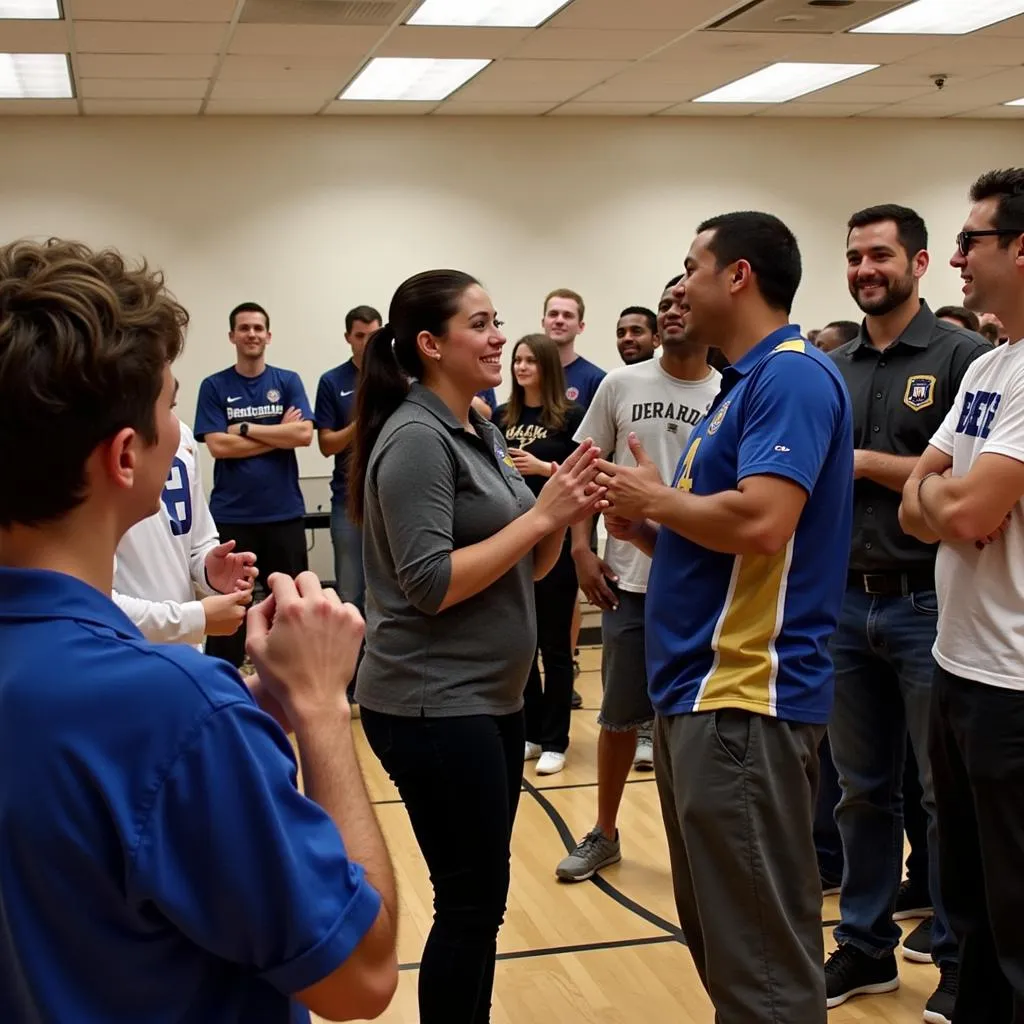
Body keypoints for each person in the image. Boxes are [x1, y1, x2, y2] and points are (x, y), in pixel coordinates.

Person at [0, 238, 398, 1023]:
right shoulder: (173, 709)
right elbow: (362, 977)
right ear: (125, 456)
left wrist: (237, 710)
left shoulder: (170, 709)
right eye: (169, 405)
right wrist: (319, 708)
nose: (178, 426)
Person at [594, 211, 854, 1024]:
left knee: (762, 975)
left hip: (743, 696)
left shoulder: (793, 376)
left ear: (737, 276)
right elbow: (733, 530)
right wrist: (655, 522)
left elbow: (765, 522)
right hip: (699, 695)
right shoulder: (743, 385)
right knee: (729, 952)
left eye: (692, 266)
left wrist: (660, 500)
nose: (681, 284)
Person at [348, 270, 605, 1024]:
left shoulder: (477, 429)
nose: (501, 337)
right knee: (470, 904)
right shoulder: (417, 439)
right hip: (432, 705)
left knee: (479, 899)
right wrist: (538, 517)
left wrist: (557, 518)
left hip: (489, 698)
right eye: (482, 324)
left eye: (500, 321)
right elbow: (428, 583)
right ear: (430, 344)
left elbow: (531, 564)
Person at [824, 205, 987, 1022]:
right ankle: (864, 944)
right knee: (860, 791)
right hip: (847, 602)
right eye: (854, 257)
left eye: (879, 255)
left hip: (932, 604)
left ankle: (959, 959)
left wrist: (860, 462)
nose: (864, 270)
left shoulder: (969, 359)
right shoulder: (836, 365)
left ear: (920, 263)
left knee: (942, 794)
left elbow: (964, 488)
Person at [900, 167, 1024, 1024]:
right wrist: (949, 503)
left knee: (1018, 903)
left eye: (970, 242)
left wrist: (948, 501)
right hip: (959, 660)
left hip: (1015, 683)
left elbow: (966, 506)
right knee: (971, 893)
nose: (956, 260)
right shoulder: (993, 366)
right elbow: (919, 499)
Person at [556, 274, 721, 883]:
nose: (675, 310)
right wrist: (580, 549)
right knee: (618, 717)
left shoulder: (729, 391)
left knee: (695, 723)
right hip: (627, 579)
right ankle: (604, 830)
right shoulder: (619, 384)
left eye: (684, 302)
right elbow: (581, 469)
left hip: (702, 585)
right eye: (666, 303)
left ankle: (696, 839)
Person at [194, 302, 314, 668]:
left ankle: (297, 679)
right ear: (232, 336)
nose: (251, 334)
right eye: (244, 328)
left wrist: (245, 429)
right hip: (233, 516)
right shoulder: (215, 386)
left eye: (258, 328)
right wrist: (280, 434)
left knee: (292, 604)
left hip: (284, 513)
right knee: (232, 607)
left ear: (269, 335)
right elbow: (217, 445)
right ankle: (225, 683)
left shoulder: (287, 380)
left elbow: (305, 434)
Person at [495, 334, 584, 776]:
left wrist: (545, 468)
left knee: (554, 646)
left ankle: (556, 738)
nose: (521, 366)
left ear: (548, 366)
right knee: (521, 642)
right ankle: (530, 730)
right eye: (517, 359)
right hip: (512, 537)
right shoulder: (500, 416)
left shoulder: (569, 417)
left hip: (556, 539)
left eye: (530, 360)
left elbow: (583, 473)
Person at [113, 410, 257, 647]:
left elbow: (198, 540)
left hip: (184, 653)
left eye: (172, 403)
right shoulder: (88, 445)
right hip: (122, 656)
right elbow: (92, 604)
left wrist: (209, 571)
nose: (173, 419)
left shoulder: (181, 434)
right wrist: (194, 619)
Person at [542, 287, 606, 705]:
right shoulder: (527, 373)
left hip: (580, 506)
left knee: (567, 591)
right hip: (532, 507)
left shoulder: (595, 379)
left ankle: (569, 660)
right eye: (553, 314)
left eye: (568, 315)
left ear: (580, 325)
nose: (559, 320)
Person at [314, 304, 382, 610]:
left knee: (393, 591)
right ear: (348, 338)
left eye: (374, 335)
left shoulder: (399, 376)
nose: (367, 342)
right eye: (360, 335)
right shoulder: (332, 381)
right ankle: (351, 660)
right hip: (348, 500)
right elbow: (327, 444)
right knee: (351, 592)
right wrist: (361, 423)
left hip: (391, 496)